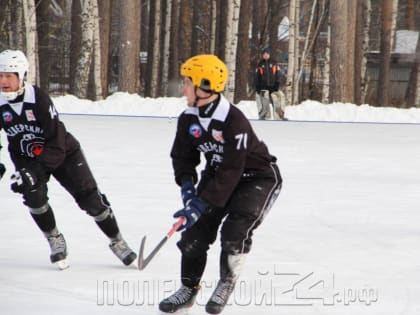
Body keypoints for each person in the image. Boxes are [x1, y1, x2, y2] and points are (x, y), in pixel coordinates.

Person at [158, 54, 282, 314]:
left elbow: (232, 168)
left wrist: (202, 201)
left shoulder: (233, 120)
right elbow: (183, 157)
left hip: (255, 177)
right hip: (217, 176)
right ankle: (188, 290)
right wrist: (188, 191)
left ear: (204, 86)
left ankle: (226, 282)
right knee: (193, 233)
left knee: (234, 232)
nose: (183, 88)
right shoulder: (188, 118)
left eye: (187, 83)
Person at [0, 49, 136, 269]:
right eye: (0, 75)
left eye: (9, 75)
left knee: (91, 201)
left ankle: (117, 241)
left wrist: (33, 173)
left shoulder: (39, 99)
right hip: (27, 156)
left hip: (63, 152)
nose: (3, 81)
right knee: (34, 197)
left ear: (22, 75)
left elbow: (55, 143)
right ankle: (55, 239)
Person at [255, 47, 287, 120]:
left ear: (269, 55)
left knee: (278, 99)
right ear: (262, 55)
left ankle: (279, 116)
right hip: (263, 86)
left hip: (273, 86)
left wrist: (277, 83)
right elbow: (257, 76)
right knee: (264, 101)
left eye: (267, 54)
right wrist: (257, 86)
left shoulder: (274, 63)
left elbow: (278, 74)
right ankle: (264, 116)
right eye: (264, 54)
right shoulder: (260, 64)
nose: (266, 55)